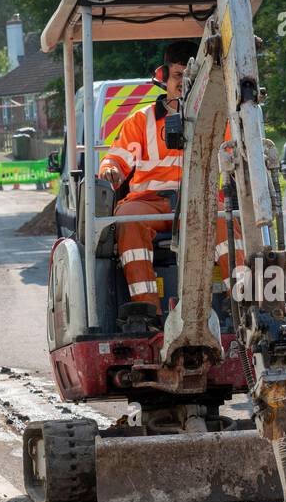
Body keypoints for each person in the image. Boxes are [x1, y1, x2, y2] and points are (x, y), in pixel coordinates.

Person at [98, 40, 242, 328]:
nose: (183, 84)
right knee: (127, 219)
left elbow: (233, 156)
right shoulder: (140, 121)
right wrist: (110, 170)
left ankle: (242, 305)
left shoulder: (217, 120)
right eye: (178, 76)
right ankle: (147, 312)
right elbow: (116, 159)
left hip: (201, 202)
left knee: (226, 222)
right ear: (164, 77)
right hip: (150, 204)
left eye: (191, 77)